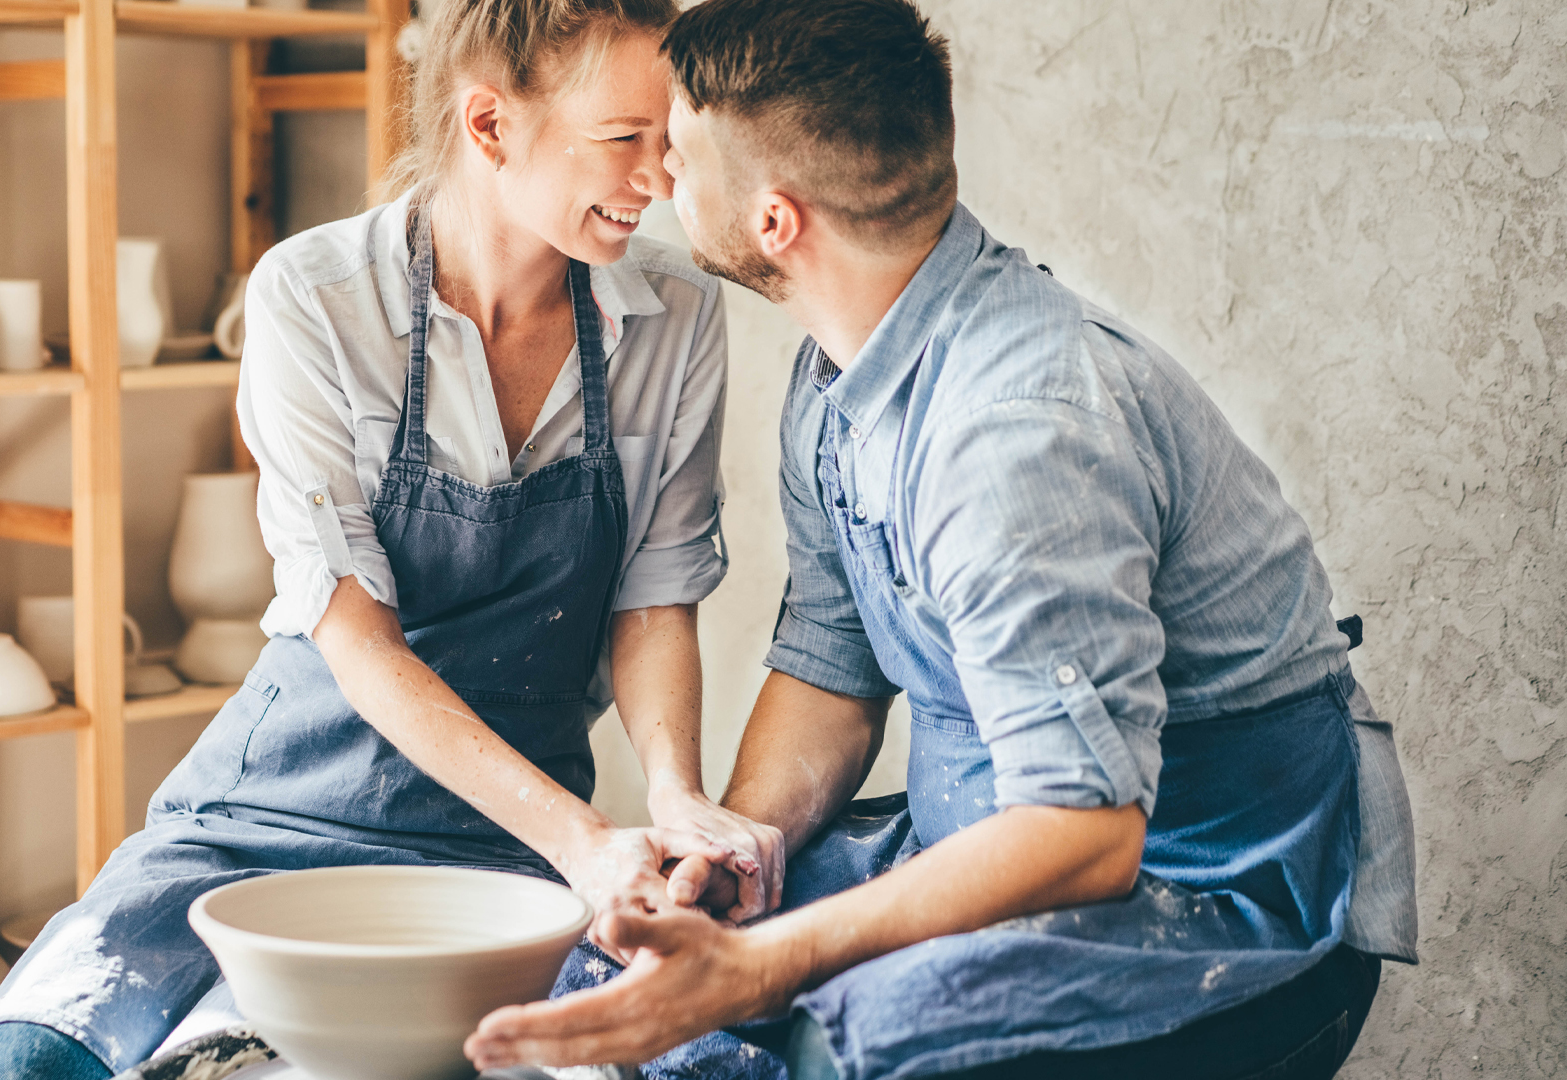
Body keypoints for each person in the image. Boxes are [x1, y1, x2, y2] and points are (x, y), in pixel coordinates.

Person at [465, 0, 1421, 1077]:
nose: (656, 182)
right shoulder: (838, 375)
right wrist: (736, 859)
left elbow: (1085, 831)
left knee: (834, 1046)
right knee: (614, 979)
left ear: (774, 221)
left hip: (1217, 896)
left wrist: (768, 968)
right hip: (994, 848)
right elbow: (832, 663)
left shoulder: (1014, 434)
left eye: (676, 153)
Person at [0, 2, 787, 1077]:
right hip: (268, 818)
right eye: (623, 140)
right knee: (23, 1062)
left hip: (512, 835)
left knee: (704, 1060)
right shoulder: (312, 298)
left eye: (665, 138)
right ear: (488, 126)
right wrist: (584, 840)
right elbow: (361, 643)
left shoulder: (673, 314)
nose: (660, 179)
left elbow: (654, 597)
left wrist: (673, 799)